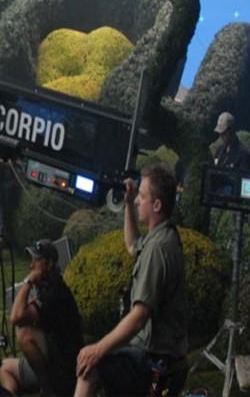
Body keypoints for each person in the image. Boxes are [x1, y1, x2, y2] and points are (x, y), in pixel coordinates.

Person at [75, 163, 188, 397]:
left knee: (89, 369)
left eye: (142, 196)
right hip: (160, 355)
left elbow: (138, 318)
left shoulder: (158, 249)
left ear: (156, 205)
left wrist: (97, 350)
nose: (137, 201)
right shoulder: (163, 235)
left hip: (157, 361)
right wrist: (127, 203)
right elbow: (132, 245)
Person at [0, 239, 83, 397]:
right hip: (50, 360)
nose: (31, 266)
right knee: (3, 368)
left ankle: (47, 390)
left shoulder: (54, 295)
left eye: (36, 260)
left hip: (63, 372)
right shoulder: (48, 286)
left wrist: (28, 281)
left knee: (24, 333)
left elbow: (16, 317)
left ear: (49, 264)